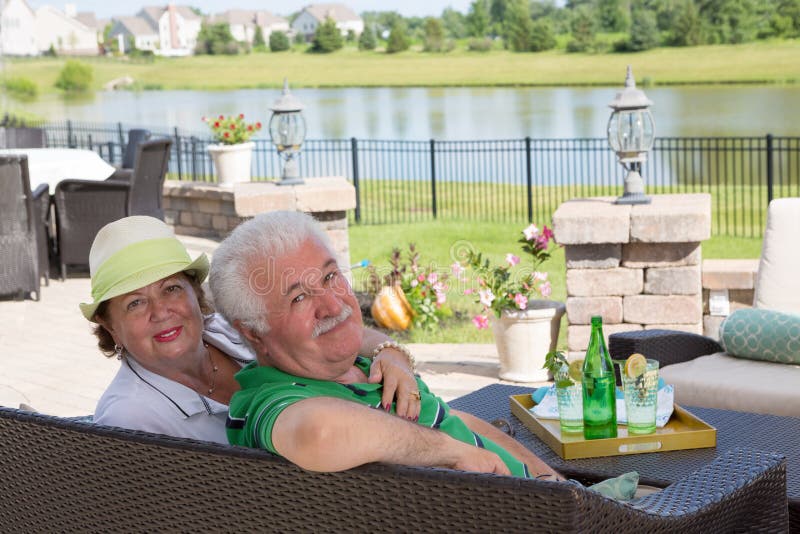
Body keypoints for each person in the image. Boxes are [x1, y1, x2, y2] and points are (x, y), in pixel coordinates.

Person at [210, 211, 562, 479]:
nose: (334, 306)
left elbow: (456, 419)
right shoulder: (270, 400)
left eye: (331, 276)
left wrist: (555, 483)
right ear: (255, 333)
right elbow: (321, 432)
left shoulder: (352, 368)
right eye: (300, 298)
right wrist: (448, 451)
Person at [81, 215, 420, 444]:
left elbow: (332, 328)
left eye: (171, 289)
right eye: (135, 303)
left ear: (194, 293)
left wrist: (391, 353)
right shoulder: (127, 417)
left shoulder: (226, 329)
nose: (161, 312)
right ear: (109, 325)